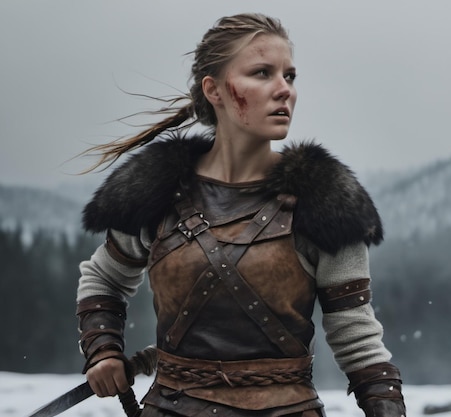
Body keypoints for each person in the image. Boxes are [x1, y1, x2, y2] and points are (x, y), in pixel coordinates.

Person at [76, 13, 406, 417]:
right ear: (213, 90)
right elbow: (104, 278)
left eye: (290, 76)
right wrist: (103, 350)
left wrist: (387, 408)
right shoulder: (157, 190)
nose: (284, 90)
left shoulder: (324, 199)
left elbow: (356, 333)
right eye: (263, 73)